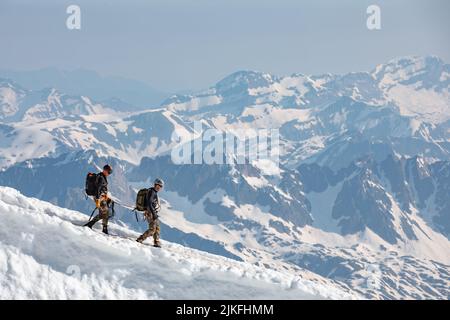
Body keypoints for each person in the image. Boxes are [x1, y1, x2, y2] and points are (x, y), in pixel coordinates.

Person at [84, 164, 113, 234]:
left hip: (101, 197)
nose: (109, 173)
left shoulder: (102, 176)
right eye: (109, 172)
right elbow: (98, 189)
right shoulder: (101, 178)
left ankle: (90, 224)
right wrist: (97, 200)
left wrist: (105, 196)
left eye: (110, 172)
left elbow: (102, 189)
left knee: (103, 213)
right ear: (105, 170)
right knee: (105, 212)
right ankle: (104, 229)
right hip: (99, 198)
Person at [137, 178, 164, 247]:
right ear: (155, 184)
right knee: (152, 229)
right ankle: (141, 238)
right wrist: (154, 214)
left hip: (152, 212)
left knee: (157, 227)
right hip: (150, 213)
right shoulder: (152, 192)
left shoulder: (152, 191)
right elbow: (149, 203)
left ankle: (156, 241)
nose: (159, 187)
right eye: (158, 185)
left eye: (160, 186)